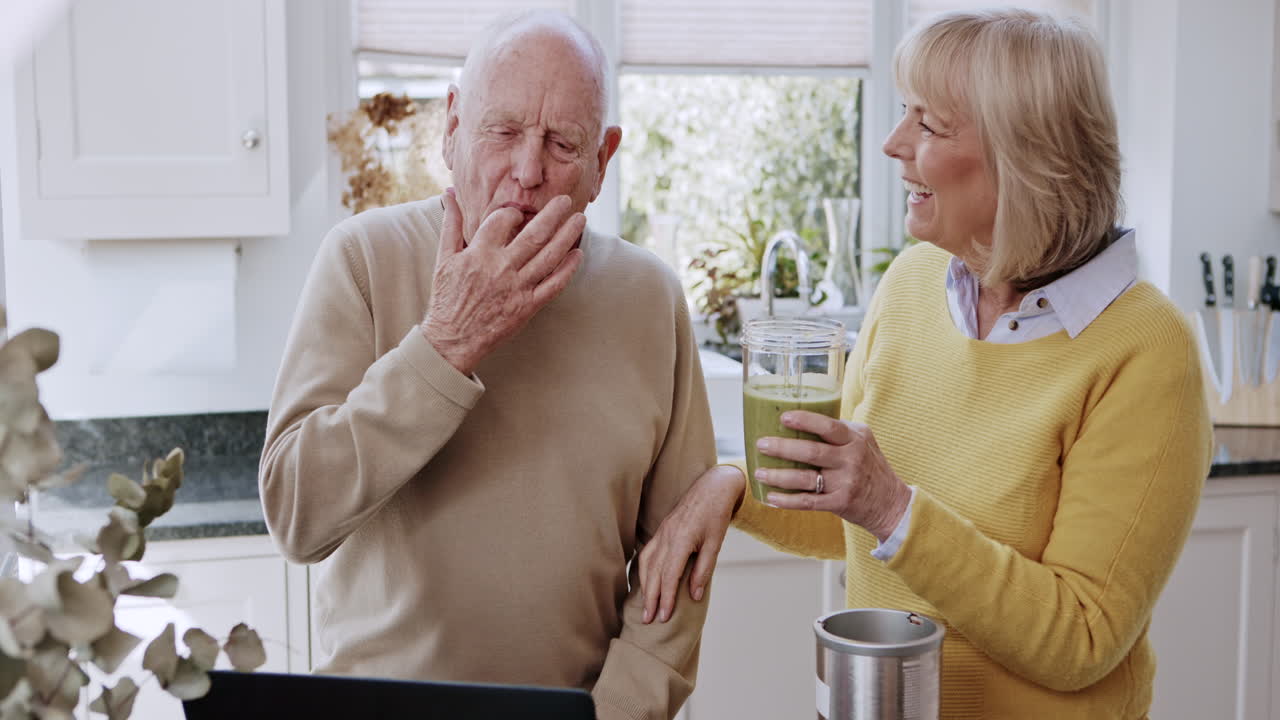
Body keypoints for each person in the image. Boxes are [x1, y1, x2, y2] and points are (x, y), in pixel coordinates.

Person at [638, 8, 1212, 719]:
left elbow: (1083, 635)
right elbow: (844, 511)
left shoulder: (1145, 351)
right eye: (902, 113)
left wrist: (892, 505)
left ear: (1023, 156)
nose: (891, 143)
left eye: (930, 125)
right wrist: (730, 485)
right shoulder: (914, 283)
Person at [259, 11, 716, 720]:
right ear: (450, 126)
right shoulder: (361, 260)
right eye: (501, 131)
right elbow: (296, 514)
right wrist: (445, 342)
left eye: (563, 143)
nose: (527, 171)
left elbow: (680, 560)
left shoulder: (650, 298)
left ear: (603, 162)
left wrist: (614, 715)